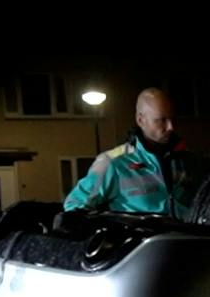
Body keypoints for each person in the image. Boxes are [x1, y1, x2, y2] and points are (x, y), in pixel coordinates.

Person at [63, 87, 201, 217]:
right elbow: (75, 206)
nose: (171, 127)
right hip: (140, 241)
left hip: (181, 240)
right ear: (141, 120)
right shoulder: (112, 162)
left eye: (173, 119)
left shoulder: (186, 159)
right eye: (161, 120)